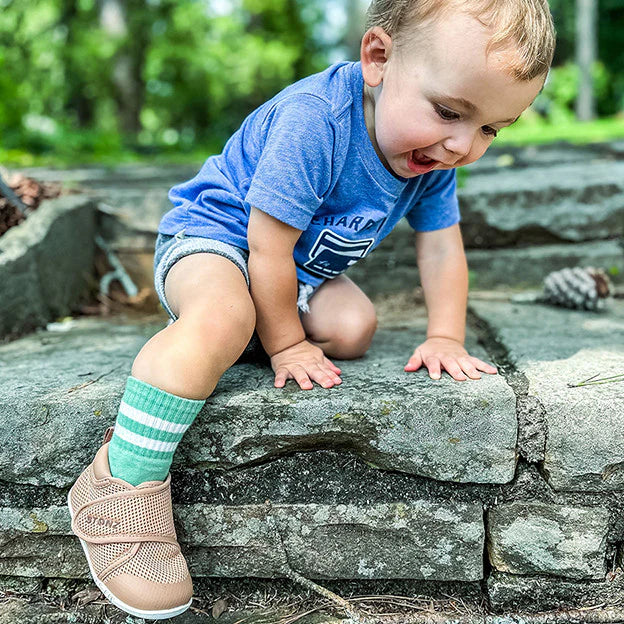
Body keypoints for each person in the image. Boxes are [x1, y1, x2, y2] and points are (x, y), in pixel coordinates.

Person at [67, 0, 556, 619]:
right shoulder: (316, 120)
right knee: (224, 316)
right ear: (378, 58)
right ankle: (121, 479)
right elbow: (266, 247)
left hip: (295, 270)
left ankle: (229, 338)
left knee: (354, 327)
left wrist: (445, 336)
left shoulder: (434, 152)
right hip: (218, 243)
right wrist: (287, 344)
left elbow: (440, 246)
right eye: (450, 113)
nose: (464, 145)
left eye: (491, 129)